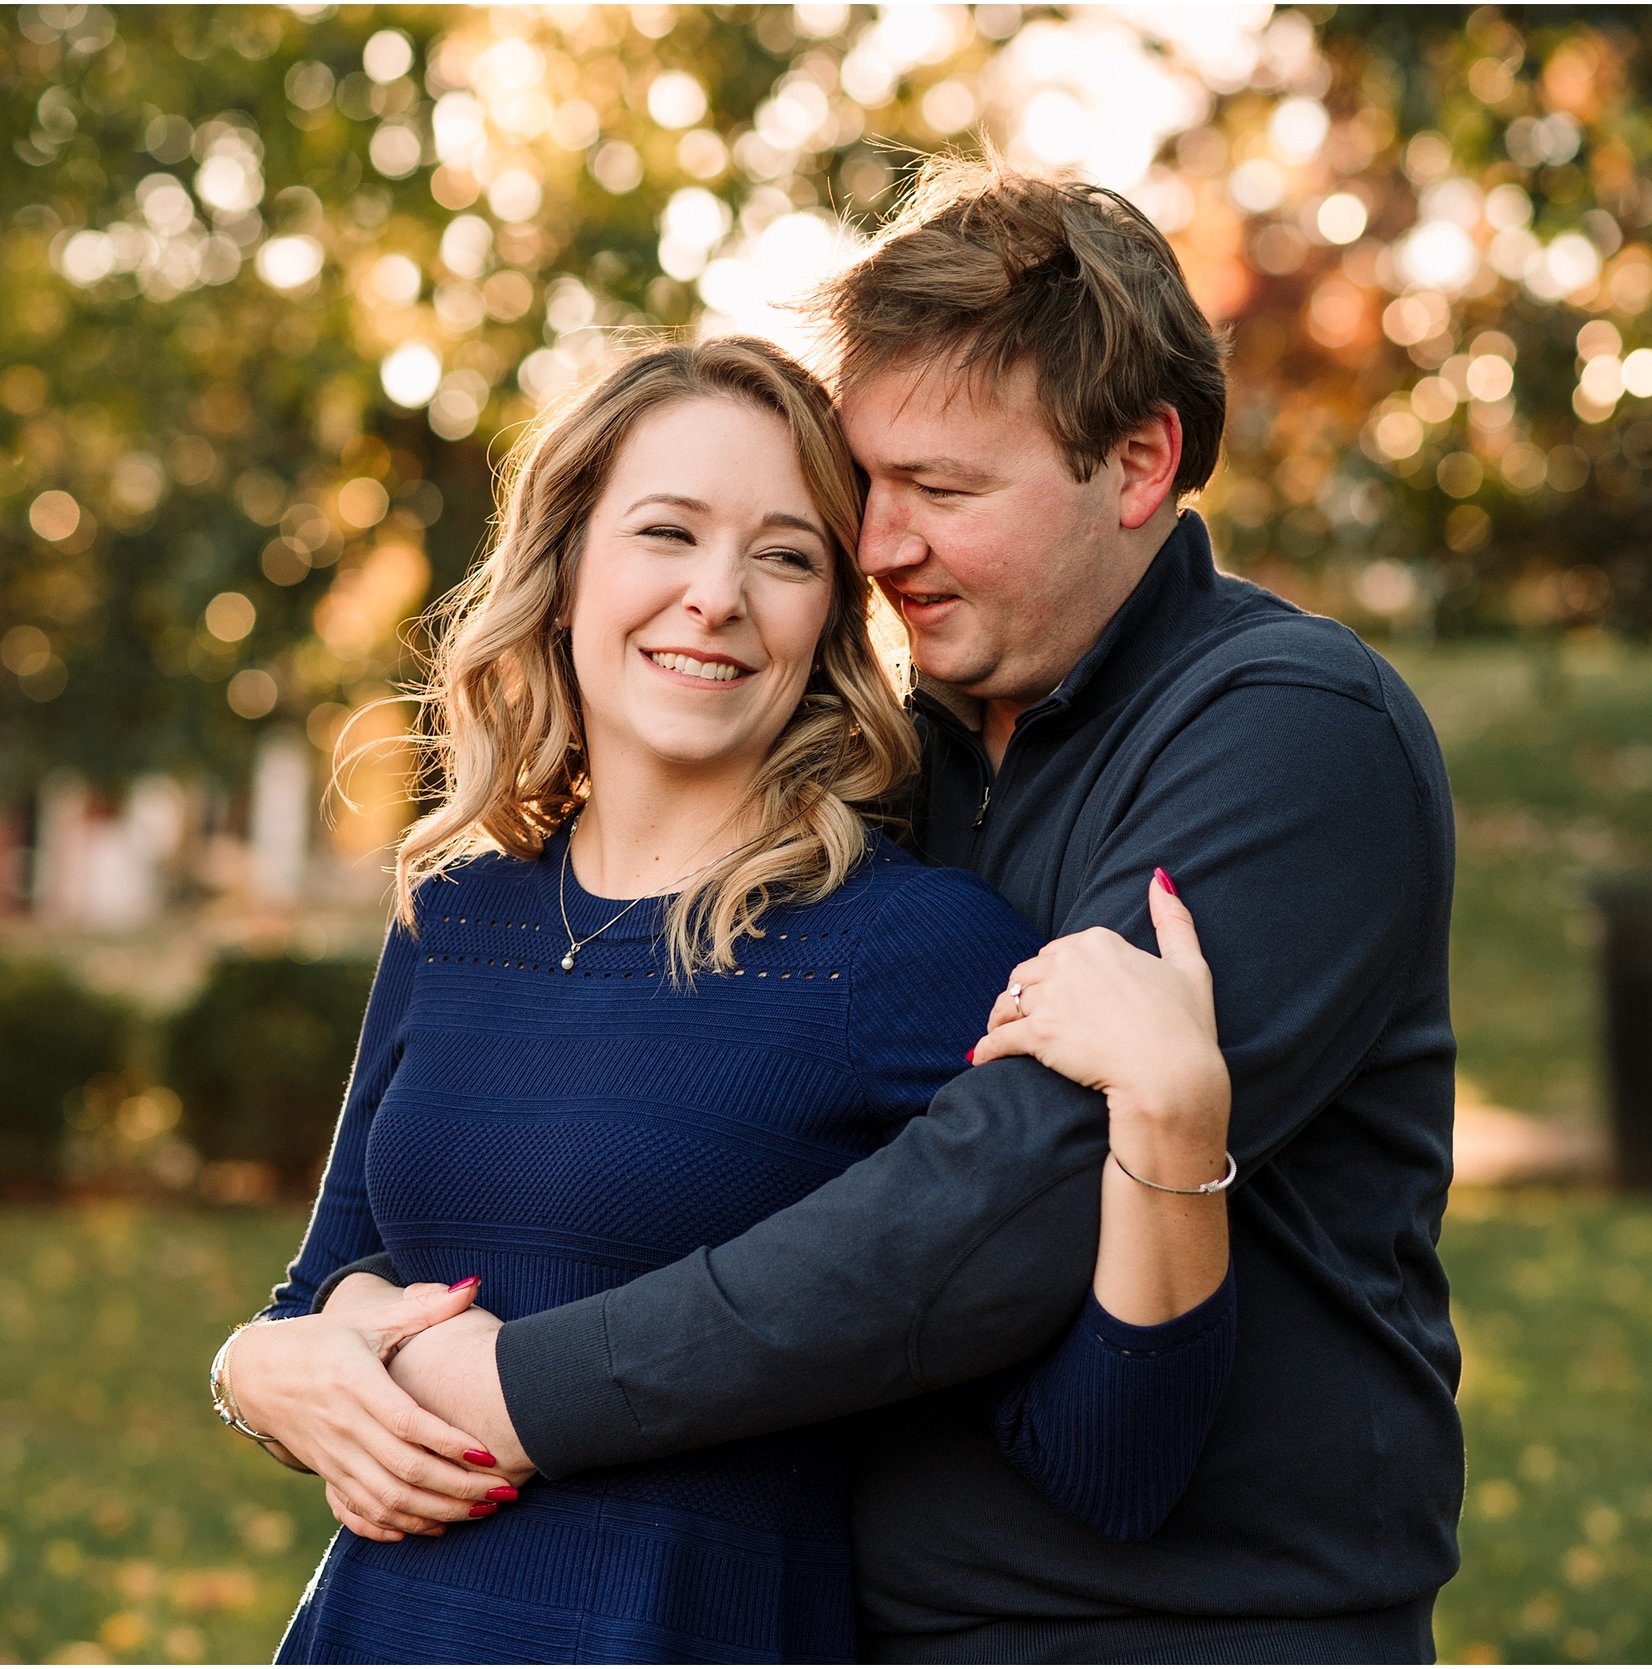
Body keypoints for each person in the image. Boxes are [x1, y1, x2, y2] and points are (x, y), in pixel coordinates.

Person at [298, 160, 1465, 1664]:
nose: (880, 544)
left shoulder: (1289, 737)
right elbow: (351, 1254)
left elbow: (1005, 1194)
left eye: (944, 491)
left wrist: (518, 1391)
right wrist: (268, 1358)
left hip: (1189, 1624)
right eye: (870, 487)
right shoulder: (896, 782)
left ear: (1138, 464)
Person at [211, 336, 1245, 1663]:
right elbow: (318, 1290)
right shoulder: (454, 912)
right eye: (669, 532)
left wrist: (1176, 1124)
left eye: (786, 553)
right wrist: (255, 1368)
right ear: (570, 556)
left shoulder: (907, 948)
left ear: (830, 616)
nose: (716, 596)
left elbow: (1113, 1463)